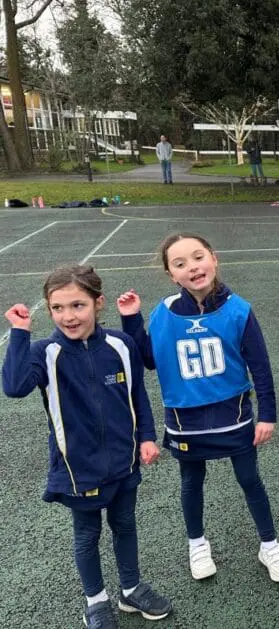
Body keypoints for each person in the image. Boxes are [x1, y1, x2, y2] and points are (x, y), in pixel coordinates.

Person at [117, 234, 279, 584]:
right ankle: (197, 544)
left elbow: (259, 365)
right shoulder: (164, 313)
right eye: (180, 263)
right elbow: (149, 360)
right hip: (186, 421)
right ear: (171, 274)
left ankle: (269, 544)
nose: (192, 267)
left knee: (249, 479)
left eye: (198, 257)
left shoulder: (239, 309)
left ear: (214, 258)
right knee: (191, 482)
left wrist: (268, 414)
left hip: (234, 416)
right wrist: (132, 320)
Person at [3, 265, 172, 629]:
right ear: (48, 310)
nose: (68, 316)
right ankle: (95, 601)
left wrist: (145, 436)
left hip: (124, 460)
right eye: (58, 308)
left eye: (77, 305)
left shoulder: (120, 345)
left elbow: (137, 395)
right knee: (87, 534)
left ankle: (130, 588)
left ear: (98, 304)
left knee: (125, 524)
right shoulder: (43, 352)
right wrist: (18, 334)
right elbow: (15, 386)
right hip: (77, 467)